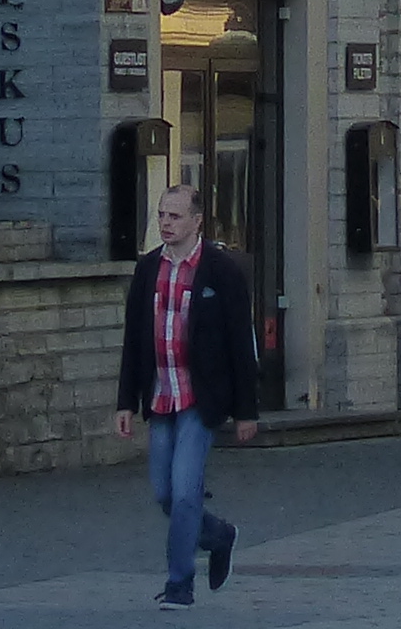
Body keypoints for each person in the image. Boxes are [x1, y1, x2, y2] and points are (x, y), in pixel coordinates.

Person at [114, 180, 263, 608]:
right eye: (162, 214)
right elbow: (134, 340)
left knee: (184, 492)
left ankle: (179, 584)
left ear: (197, 222)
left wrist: (246, 411)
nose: (166, 223)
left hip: (201, 398)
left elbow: (241, 343)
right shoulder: (148, 269)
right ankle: (218, 535)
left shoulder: (221, 271)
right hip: (161, 395)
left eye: (175, 216)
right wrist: (125, 402)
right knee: (165, 493)